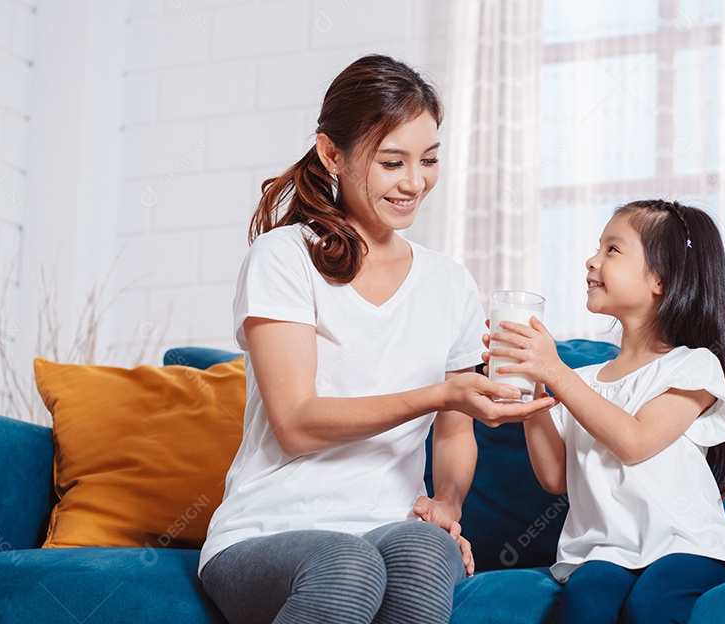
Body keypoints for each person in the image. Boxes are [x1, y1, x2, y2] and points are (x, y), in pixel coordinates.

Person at [198, 54, 555, 624]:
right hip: (268, 530)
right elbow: (295, 426)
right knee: (348, 564)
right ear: (331, 153)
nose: (415, 183)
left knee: (426, 550)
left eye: (429, 160)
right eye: (393, 162)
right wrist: (439, 395)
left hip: (393, 523)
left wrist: (447, 505)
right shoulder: (285, 258)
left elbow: (454, 436)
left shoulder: (450, 284)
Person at [486, 199, 725, 624]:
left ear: (660, 279)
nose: (592, 261)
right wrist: (533, 383)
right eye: (597, 248)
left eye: (612, 250)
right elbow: (555, 476)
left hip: (687, 545)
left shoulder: (692, 366)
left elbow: (635, 442)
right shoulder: (584, 381)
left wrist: (554, 369)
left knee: (652, 605)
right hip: (604, 551)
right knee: (585, 602)